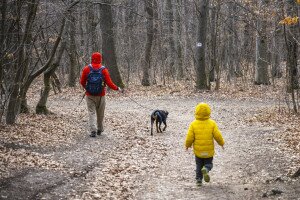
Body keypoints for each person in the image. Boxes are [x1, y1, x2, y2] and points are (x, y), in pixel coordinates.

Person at [80, 52, 123, 137]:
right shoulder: (103, 70)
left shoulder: (86, 69)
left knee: (91, 112)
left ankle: (93, 130)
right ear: (100, 59)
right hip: (101, 95)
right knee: (100, 113)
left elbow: (82, 82)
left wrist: (87, 88)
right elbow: (109, 83)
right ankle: (99, 129)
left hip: (89, 95)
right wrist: (117, 88)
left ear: (92, 58)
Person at [185, 102, 225, 186]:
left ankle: (199, 180)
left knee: (198, 165)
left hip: (198, 151)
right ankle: (206, 169)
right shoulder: (212, 123)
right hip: (208, 151)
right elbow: (217, 135)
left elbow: (190, 137)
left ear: (196, 112)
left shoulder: (193, 124)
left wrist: (187, 145)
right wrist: (221, 143)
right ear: (208, 112)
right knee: (209, 164)